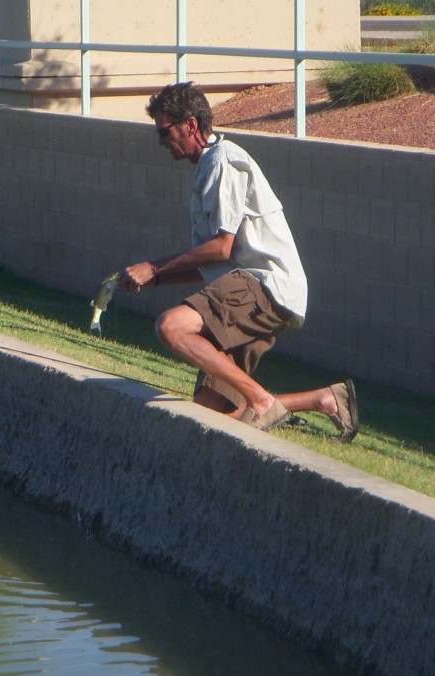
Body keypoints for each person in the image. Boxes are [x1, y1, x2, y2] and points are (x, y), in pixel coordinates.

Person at [118, 81, 358, 440]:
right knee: (213, 412)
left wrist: (154, 266)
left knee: (171, 327)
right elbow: (208, 264)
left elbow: (221, 248)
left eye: (164, 131)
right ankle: (323, 399)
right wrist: (154, 279)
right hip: (248, 287)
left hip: (263, 283)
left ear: (190, 125)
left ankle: (262, 401)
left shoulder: (223, 161)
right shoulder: (207, 166)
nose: (160, 140)